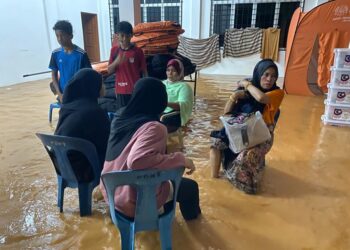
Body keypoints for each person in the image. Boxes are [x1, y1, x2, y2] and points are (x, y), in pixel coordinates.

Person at [100, 77, 201, 221]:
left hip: (112, 194)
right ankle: (197, 232)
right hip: (131, 201)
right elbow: (137, 161)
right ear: (161, 100)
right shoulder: (155, 127)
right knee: (191, 188)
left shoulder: (120, 116)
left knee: (167, 182)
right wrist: (180, 159)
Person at [210, 59, 284, 194]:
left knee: (247, 156)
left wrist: (246, 84)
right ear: (258, 73)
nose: (269, 79)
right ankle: (215, 180)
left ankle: (248, 189)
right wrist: (234, 96)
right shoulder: (245, 90)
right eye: (266, 74)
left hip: (262, 134)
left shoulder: (277, 93)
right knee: (216, 141)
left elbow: (261, 98)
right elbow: (226, 114)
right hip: (242, 128)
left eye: (273, 76)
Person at [55, 68, 110, 182]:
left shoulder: (67, 107)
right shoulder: (94, 111)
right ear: (92, 86)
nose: (104, 86)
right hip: (85, 171)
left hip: (62, 167)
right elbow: (108, 145)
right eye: (102, 83)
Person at [107, 21, 147, 110]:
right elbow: (109, 70)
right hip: (121, 90)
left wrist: (145, 88)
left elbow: (144, 71)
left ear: (131, 35)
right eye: (122, 36)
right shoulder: (114, 50)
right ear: (117, 36)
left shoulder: (138, 51)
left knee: (136, 115)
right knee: (123, 115)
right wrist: (117, 61)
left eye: (127, 36)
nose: (124, 39)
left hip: (135, 90)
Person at [49, 20, 92, 103]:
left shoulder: (81, 54)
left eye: (62, 35)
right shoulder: (55, 54)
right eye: (57, 36)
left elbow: (89, 75)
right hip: (63, 94)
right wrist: (59, 94)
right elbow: (54, 75)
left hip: (79, 95)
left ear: (71, 36)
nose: (59, 39)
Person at [161, 59, 193, 133]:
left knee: (154, 122)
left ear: (179, 72)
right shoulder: (162, 83)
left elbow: (183, 105)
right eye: (168, 70)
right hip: (159, 112)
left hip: (171, 116)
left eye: (174, 70)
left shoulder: (184, 87)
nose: (170, 73)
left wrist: (165, 103)